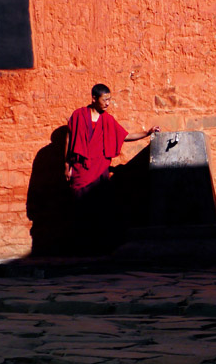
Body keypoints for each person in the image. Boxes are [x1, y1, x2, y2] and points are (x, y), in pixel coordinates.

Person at [64, 84, 159, 250]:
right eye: (105, 99)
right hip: (81, 169)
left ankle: (100, 246)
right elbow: (69, 139)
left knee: (101, 209)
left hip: (99, 170)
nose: (108, 103)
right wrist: (66, 165)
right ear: (94, 99)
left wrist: (146, 133)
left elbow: (124, 136)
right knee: (80, 209)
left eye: (109, 99)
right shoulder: (78, 116)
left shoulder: (107, 120)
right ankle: (81, 247)